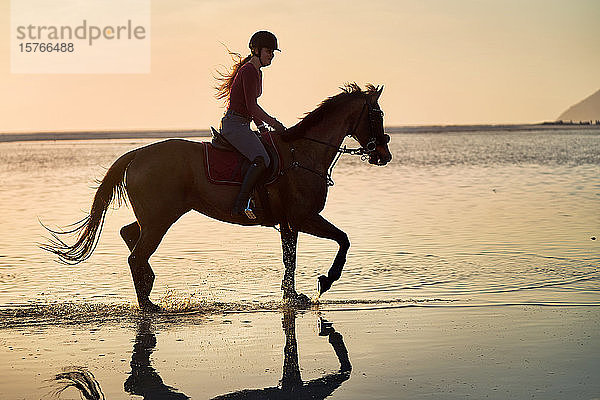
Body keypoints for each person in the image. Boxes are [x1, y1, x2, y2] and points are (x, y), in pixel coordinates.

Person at [215, 30, 286, 218]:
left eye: (272, 52)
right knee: (263, 159)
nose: (271, 56)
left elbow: (251, 107)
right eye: (268, 51)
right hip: (234, 125)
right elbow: (252, 106)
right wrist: (275, 124)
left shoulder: (257, 72)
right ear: (256, 50)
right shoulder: (248, 71)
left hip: (243, 125)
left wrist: (262, 128)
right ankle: (241, 204)